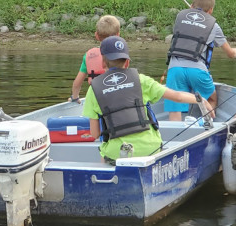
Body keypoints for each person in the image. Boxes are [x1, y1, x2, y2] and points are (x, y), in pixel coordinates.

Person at [82, 36, 212, 162]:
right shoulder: (141, 80)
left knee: (103, 153)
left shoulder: (93, 90)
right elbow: (177, 96)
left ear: (103, 62)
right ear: (127, 62)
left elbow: (95, 134)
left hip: (117, 153)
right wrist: (201, 100)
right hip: (150, 148)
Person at [163, 0, 236, 121]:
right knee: (211, 98)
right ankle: (205, 127)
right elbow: (230, 53)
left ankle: (174, 135)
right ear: (211, 10)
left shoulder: (179, 17)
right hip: (197, 70)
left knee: (175, 106)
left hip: (175, 69)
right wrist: (235, 51)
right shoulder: (214, 26)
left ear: (191, 6)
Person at [68, 15, 121, 103]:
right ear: (118, 35)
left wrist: (75, 97)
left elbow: (77, 83)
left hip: (95, 98)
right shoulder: (121, 55)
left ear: (96, 35)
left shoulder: (88, 56)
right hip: (116, 97)